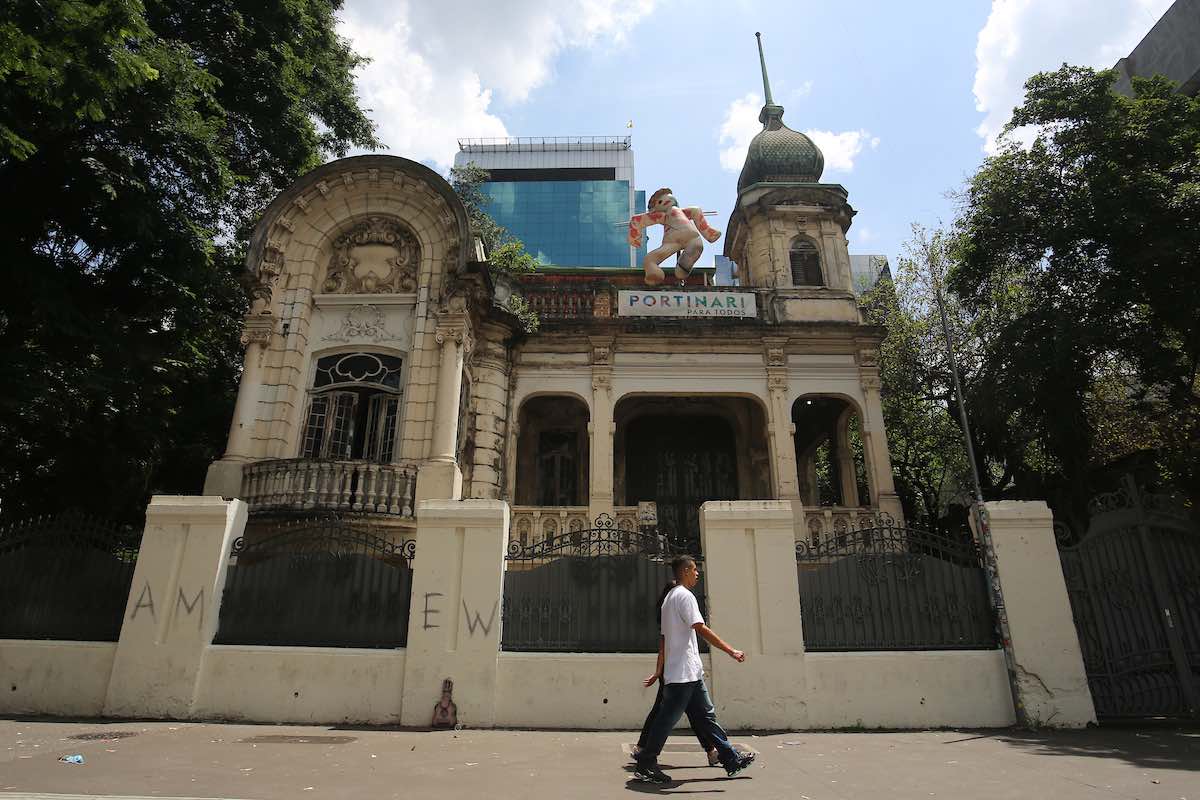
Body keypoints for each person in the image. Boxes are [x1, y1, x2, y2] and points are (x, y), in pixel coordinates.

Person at [633, 555, 756, 784]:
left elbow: (664, 638)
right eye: (694, 569)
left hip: (687, 671)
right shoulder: (684, 597)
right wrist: (730, 650)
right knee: (665, 720)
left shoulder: (670, 597)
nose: (697, 573)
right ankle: (646, 763)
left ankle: (730, 759)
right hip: (682, 673)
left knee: (706, 717)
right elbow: (700, 628)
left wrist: (660, 670)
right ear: (686, 571)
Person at [631, 581, 720, 768]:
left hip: (677, 671)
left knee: (678, 714)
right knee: (678, 715)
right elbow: (664, 646)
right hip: (679, 672)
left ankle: (714, 751)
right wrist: (658, 671)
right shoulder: (674, 611)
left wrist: (658, 672)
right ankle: (645, 753)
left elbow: (664, 646)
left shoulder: (669, 612)